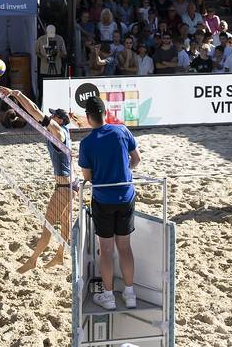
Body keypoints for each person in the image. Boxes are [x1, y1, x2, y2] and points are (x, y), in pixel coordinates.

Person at [1, 87, 75, 272]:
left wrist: (16, 94)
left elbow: (35, 110)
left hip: (64, 187)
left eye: (53, 116)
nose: (49, 118)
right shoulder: (63, 132)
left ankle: (33, 259)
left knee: (48, 226)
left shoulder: (58, 131)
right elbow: (34, 115)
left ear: (58, 120)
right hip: (70, 185)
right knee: (64, 223)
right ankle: (60, 255)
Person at [78, 95, 141, 311]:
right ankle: (130, 293)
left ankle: (109, 296)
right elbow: (137, 159)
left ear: (88, 117)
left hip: (103, 198)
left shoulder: (87, 143)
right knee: (124, 247)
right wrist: (124, 172)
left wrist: (104, 176)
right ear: (105, 113)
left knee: (106, 250)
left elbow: (87, 177)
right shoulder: (122, 131)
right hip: (125, 195)